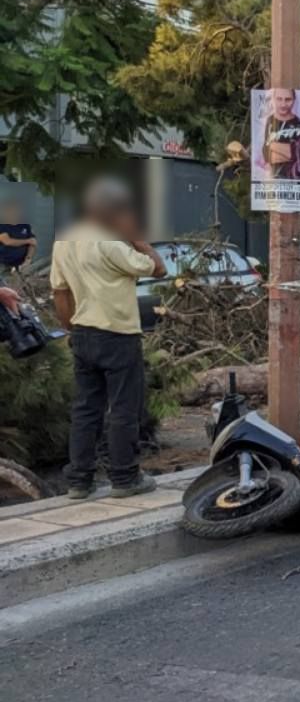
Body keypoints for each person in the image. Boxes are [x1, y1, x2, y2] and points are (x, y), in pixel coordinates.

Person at [49, 177, 168, 499]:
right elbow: (159, 269)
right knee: (124, 409)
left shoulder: (64, 242)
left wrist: (71, 330)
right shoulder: (110, 244)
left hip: (83, 334)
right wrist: (137, 238)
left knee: (86, 409)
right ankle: (125, 478)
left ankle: (79, 481)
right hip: (117, 335)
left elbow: (60, 293)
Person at [258, 87, 300, 181]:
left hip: (297, 180)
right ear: (273, 99)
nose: (283, 104)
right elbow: (267, 154)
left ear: (294, 100)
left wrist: (273, 146)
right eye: (279, 99)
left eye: (288, 99)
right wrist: (292, 153)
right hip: (273, 182)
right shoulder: (270, 121)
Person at [0, 201, 37, 273]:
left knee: (23, 283)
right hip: (3, 265)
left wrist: (28, 259)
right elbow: (7, 241)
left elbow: (33, 243)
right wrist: (28, 240)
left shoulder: (26, 226)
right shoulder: (2, 226)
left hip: (22, 265)